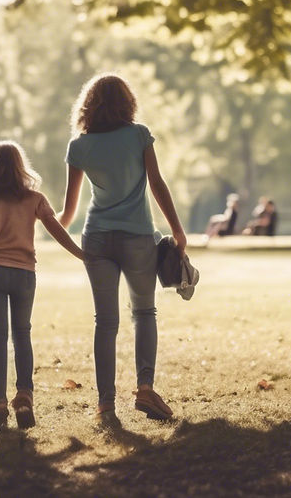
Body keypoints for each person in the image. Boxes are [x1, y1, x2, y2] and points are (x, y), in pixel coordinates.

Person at [58, 73, 187, 422]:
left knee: (106, 321)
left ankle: (105, 405)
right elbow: (157, 184)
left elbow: (68, 212)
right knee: (144, 313)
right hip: (137, 238)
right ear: (127, 103)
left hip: (97, 237)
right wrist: (177, 231)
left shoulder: (79, 146)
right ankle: (145, 389)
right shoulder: (139, 135)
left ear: (88, 106)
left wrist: (35, 219)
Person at [0, 141, 84, 428]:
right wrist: (83, 255)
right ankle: (24, 394)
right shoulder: (34, 199)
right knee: (22, 333)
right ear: (21, 167)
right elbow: (58, 231)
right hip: (24, 273)